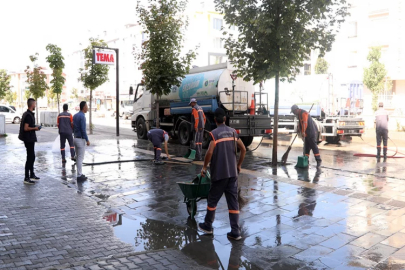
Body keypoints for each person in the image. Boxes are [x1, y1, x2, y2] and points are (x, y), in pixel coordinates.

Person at [198, 108, 246, 241]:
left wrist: (204, 167)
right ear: (225, 119)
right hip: (232, 174)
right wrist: (239, 165)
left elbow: (209, 152)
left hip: (219, 174)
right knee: (233, 203)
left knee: (212, 200)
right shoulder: (233, 132)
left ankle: (207, 225)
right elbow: (243, 149)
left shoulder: (214, 134)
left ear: (215, 120)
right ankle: (235, 232)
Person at [18, 98, 41, 185]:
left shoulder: (28, 114)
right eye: (35, 104)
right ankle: (26, 177)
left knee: (32, 156)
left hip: (30, 138)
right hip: (28, 139)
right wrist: (35, 128)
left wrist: (35, 126)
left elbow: (28, 126)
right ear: (32, 105)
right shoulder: (28, 115)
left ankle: (31, 174)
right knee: (30, 157)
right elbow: (26, 128)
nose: (35, 106)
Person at [73, 101, 90, 181]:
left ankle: (79, 173)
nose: (87, 108)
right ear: (83, 107)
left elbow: (72, 126)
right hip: (80, 139)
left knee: (78, 157)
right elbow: (83, 130)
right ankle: (79, 175)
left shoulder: (75, 115)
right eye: (86, 106)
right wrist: (87, 140)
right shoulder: (82, 116)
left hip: (75, 138)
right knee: (80, 158)